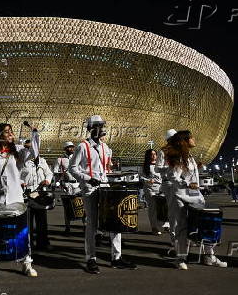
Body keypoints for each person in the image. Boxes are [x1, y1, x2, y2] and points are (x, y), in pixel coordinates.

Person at [70, 115, 136, 274]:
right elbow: (73, 168)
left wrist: (115, 177)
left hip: (105, 188)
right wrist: (87, 179)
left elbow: (107, 170)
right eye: (97, 126)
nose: (101, 129)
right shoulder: (82, 146)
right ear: (90, 128)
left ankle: (116, 258)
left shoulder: (106, 148)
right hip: (90, 189)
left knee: (115, 221)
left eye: (102, 125)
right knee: (92, 224)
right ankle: (90, 259)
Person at [0, 123, 39, 279]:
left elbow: (34, 151)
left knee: (22, 233)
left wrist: (34, 133)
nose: (10, 134)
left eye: (11, 131)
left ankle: (27, 264)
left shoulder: (17, 151)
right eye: (6, 132)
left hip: (16, 198)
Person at [165, 130, 227, 270]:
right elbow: (172, 176)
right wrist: (187, 184)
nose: (194, 139)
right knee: (182, 228)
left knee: (206, 224)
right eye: (191, 137)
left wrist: (194, 174)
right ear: (185, 141)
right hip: (181, 196)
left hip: (195, 196)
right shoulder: (180, 157)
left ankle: (209, 257)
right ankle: (180, 258)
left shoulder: (189, 157)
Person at [20, 142, 53, 250]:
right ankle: (28, 243)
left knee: (42, 220)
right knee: (27, 220)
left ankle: (43, 242)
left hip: (40, 193)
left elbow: (49, 173)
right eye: (29, 148)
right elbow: (15, 174)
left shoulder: (42, 161)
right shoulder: (22, 162)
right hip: (27, 193)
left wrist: (47, 180)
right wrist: (21, 182)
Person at [155, 129, 176, 252]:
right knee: (173, 213)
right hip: (168, 184)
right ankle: (175, 241)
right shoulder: (163, 151)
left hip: (180, 184)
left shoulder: (180, 151)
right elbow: (157, 168)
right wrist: (169, 167)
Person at [53, 142, 81, 234]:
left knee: (81, 205)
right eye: (69, 147)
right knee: (68, 207)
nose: (72, 148)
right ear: (65, 148)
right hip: (67, 185)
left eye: (72, 147)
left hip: (78, 184)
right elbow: (56, 172)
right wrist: (57, 183)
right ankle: (67, 227)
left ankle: (85, 224)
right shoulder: (60, 160)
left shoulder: (77, 158)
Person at [140, 149, 163, 235]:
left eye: (154, 154)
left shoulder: (159, 165)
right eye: (151, 154)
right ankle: (154, 227)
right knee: (153, 208)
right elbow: (141, 177)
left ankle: (163, 224)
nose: (153, 156)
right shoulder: (145, 166)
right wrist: (148, 180)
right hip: (150, 189)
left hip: (160, 188)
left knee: (162, 207)